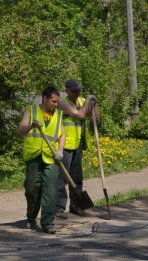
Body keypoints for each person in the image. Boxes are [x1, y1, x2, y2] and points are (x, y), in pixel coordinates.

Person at [17, 86, 66, 234]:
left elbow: (62, 135)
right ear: (44, 99)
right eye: (53, 101)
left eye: (57, 102)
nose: (56, 104)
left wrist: (60, 151)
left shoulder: (58, 115)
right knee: (32, 189)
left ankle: (47, 223)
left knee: (50, 191)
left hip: (51, 158)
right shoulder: (30, 111)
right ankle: (31, 217)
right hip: (34, 156)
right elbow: (20, 131)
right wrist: (32, 125)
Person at [55, 79, 99, 219]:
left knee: (77, 177)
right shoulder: (62, 104)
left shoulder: (81, 101)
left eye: (78, 90)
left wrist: (94, 104)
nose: (76, 92)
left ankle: (76, 206)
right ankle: (59, 208)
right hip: (65, 144)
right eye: (73, 90)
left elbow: (95, 119)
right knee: (63, 177)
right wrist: (87, 101)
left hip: (78, 143)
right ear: (66, 90)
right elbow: (80, 115)